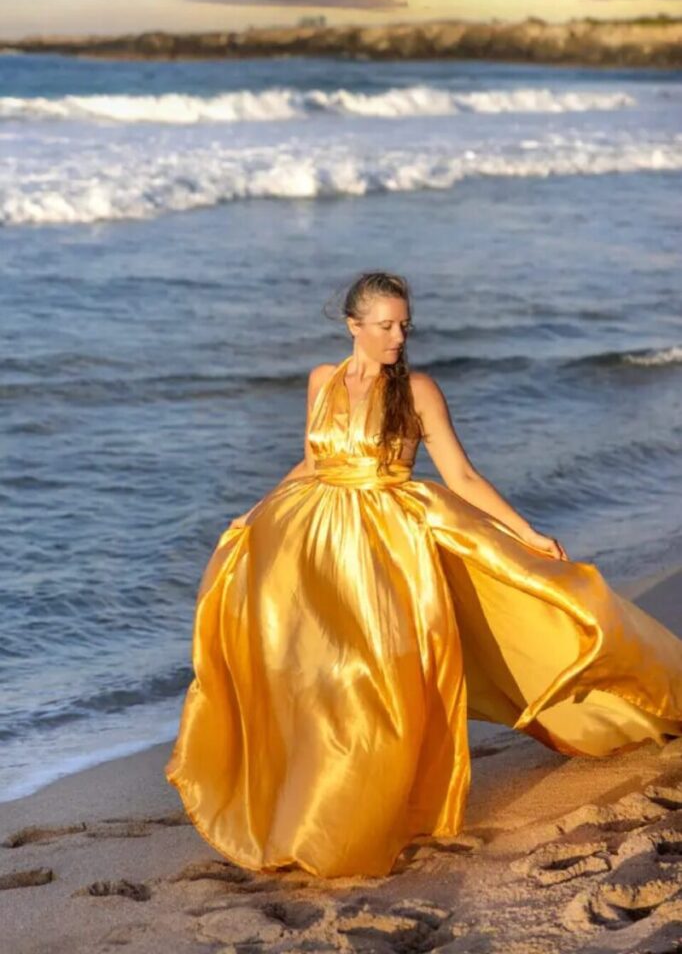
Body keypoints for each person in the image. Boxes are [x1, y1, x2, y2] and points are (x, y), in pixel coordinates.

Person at [165, 270, 682, 880]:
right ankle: (315, 799)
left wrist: (525, 532)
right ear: (353, 325)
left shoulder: (418, 391)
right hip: (313, 540)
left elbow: (460, 477)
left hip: (388, 545)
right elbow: (312, 460)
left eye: (403, 324)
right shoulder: (321, 381)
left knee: (381, 674)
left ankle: (379, 809)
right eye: (384, 325)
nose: (396, 336)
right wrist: (255, 512)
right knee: (313, 669)